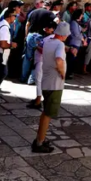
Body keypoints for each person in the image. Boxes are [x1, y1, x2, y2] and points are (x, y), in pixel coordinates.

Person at [33, 21, 67, 153]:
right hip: (54, 84)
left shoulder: (48, 41)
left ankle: (39, 138)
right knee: (48, 114)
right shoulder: (60, 44)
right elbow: (59, 59)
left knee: (45, 113)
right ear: (64, 35)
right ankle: (39, 143)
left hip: (46, 82)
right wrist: (62, 72)